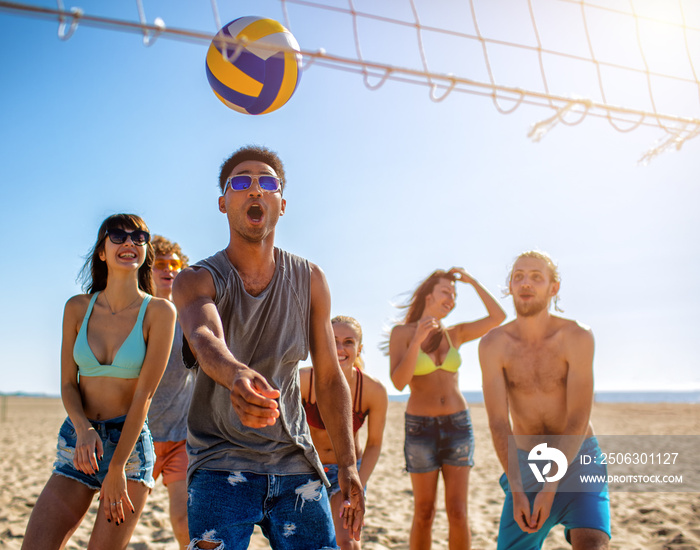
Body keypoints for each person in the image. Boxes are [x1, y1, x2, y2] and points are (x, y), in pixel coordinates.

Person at [172, 145, 365, 550]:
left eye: (268, 182)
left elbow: (329, 378)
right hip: (220, 461)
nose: (255, 190)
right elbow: (204, 336)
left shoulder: (309, 279)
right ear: (224, 203)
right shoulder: (195, 279)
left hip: (295, 459)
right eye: (241, 182)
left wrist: (347, 463)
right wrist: (235, 374)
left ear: (282, 203)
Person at [22, 214, 176, 550]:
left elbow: (145, 396)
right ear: (102, 252)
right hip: (78, 441)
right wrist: (82, 429)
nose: (129, 242)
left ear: (146, 250)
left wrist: (118, 467)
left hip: (129, 450)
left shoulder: (160, 313)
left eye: (139, 237)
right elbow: (67, 384)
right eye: (118, 236)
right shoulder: (77, 308)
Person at [478, 250, 610, 550]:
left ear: (554, 288)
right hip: (527, 464)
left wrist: (550, 488)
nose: (526, 283)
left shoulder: (577, 336)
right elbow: (498, 422)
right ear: (510, 286)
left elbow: (578, 416)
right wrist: (518, 490)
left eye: (537, 277)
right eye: (519, 276)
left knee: (593, 545)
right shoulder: (493, 345)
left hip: (578, 458)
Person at [389, 268, 506, 550]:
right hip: (420, 428)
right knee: (424, 513)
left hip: (458, 426)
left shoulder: (456, 333)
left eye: (454, 295)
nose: (451, 299)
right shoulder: (402, 333)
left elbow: (498, 317)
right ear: (428, 295)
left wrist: (473, 282)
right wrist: (417, 339)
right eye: (446, 292)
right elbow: (399, 382)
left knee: (458, 512)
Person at [300, 315, 388, 550]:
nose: (340, 348)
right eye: (333, 340)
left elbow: (374, 443)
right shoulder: (303, 381)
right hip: (306, 469)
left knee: (348, 542)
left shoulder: (373, 390)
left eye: (348, 342)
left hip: (347, 471)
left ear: (359, 348)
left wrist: (359, 483)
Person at [147, 235, 194, 549]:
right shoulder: (138, 314)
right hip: (140, 437)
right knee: (122, 516)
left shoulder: (192, 317)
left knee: (183, 523)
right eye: (160, 264)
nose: (168, 270)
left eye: (174, 264)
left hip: (181, 438)